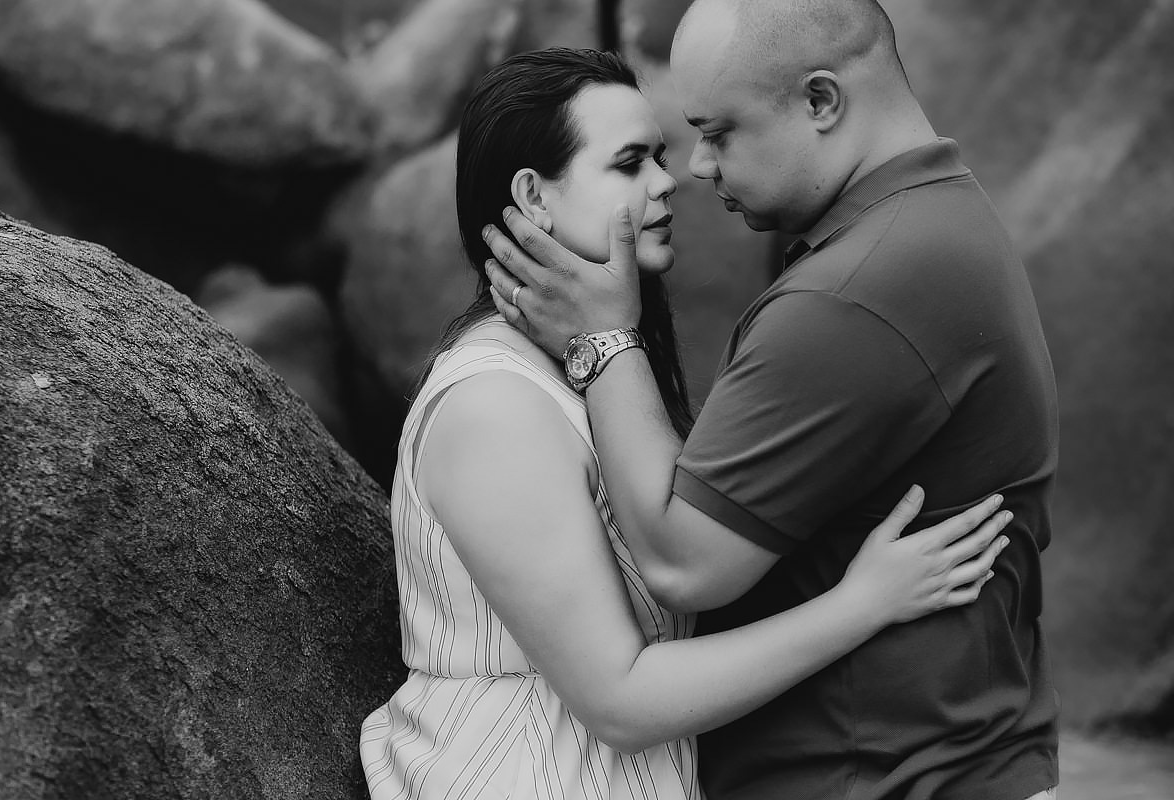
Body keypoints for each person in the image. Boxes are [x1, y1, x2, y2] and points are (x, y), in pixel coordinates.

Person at [360, 47, 1012, 800]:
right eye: (631, 162)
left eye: (660, 156)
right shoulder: (494, 407)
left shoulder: (594, 372)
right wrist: (861, 605)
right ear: (533, 197)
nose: (668, 181)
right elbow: (621, 700)